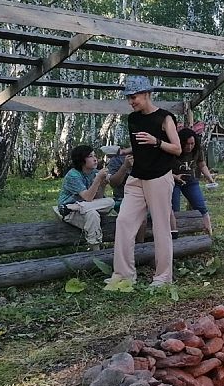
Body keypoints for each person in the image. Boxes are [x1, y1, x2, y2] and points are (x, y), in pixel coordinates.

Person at [107, 75, 180, 287]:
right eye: (128, 98)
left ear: (147, 94)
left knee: (160, 228)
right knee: (123, 222)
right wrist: (122, 152)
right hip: (137, 177)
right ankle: (123, 276)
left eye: (134, 97)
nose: (131, 101)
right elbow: (139, 146)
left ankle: (163, 278)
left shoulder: (165, 118)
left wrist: (157, 141)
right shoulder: (133, 119)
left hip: (159, 177)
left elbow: (177, 148)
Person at [57, 145, 114, 250]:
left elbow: (97, 197)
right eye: (90, 156)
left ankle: (77, 207)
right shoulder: (73, 175)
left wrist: (102, 185)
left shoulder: (94, 173)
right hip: (69, 212)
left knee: (110, 202)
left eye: (94, 155)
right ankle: (96, 252)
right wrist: (98, 179)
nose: (95, 159)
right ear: (81, 160)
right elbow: (88, 198)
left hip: (79, 207)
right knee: (92, 214)